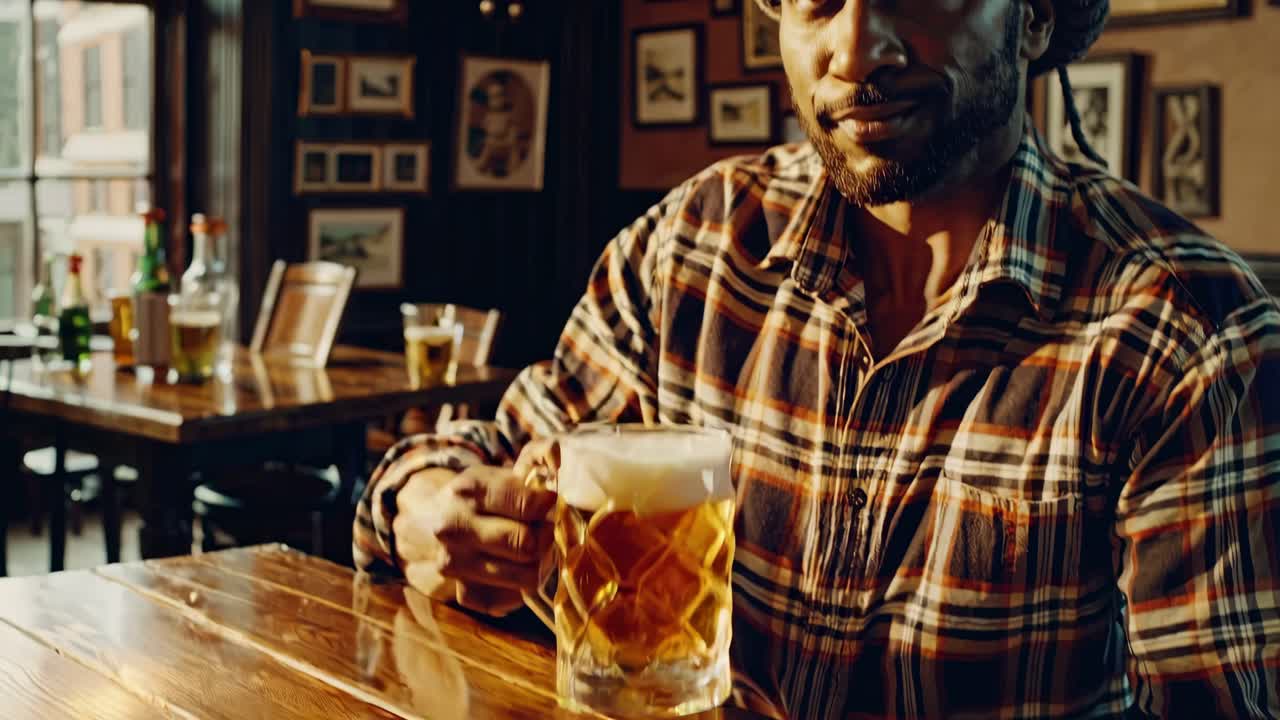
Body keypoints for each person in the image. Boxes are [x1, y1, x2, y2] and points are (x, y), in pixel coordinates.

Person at [354, 0, 1280, 716]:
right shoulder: (697, 243)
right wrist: (424, 505)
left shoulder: (1188, 334)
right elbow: (481, 454)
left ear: (1034, 16)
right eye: (813, 1)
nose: (855, 49)